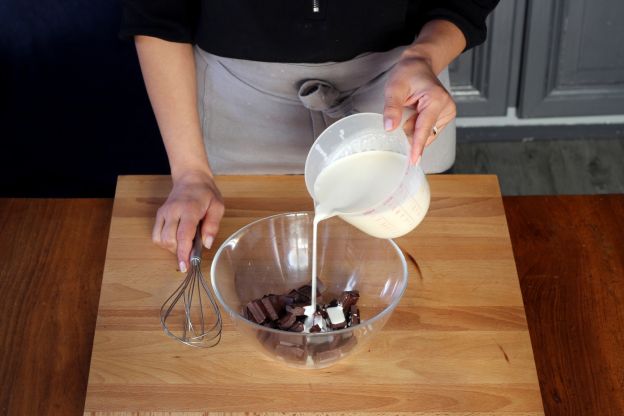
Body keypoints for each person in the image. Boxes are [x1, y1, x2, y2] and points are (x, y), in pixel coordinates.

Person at [120, 0, 499, 272]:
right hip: (239, 103)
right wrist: (191, 174)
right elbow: (157, 13)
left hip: (399, 93)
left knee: (433, 275)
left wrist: (426, 57)